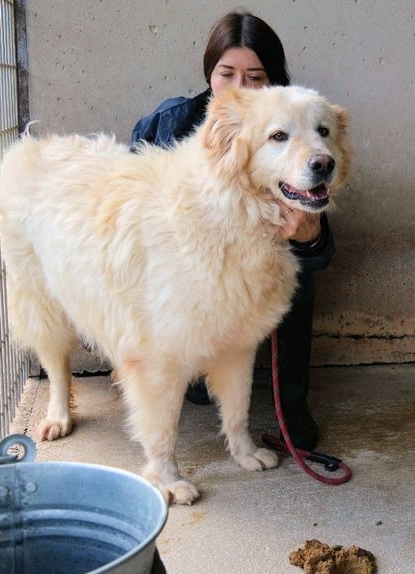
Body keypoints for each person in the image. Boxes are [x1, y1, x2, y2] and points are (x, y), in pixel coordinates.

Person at [130, 11, 333, 451]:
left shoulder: (293, 124)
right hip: (185, 279)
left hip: (256, 275)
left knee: (297, 276)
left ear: (273, 80)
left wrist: (307, 235)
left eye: (255, 77)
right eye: (227, 74)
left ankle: (290, 407)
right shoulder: (170, 122)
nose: (239, 87)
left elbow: (323, 249)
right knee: (195, 387)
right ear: (210, 74)